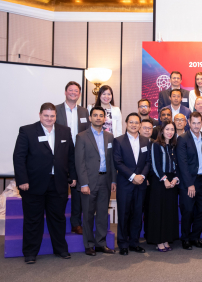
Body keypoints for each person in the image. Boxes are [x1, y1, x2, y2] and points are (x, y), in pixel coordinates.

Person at [13, 103, 77, 264]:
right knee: (33, 220)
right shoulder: (26, 131)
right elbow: (19, 157)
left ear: (56, 116)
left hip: (58, 183)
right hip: (33, 185)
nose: (49, 119)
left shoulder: (64, 131)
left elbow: (71, 157)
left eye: (52, 116)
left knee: (58, 218)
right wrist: (22, 180)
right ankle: (30, 252)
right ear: (40, 115)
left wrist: (73, 176)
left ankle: (61, 249)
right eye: (46, 116)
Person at [74, 106, 116, 256]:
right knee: (88, 214)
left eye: (101, 115)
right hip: (89, 182)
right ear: (90, 118)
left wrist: (113, 180)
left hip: (105, 180)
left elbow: (111, 161)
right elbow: (79, 162)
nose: (98, 118)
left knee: (103, 214)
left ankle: (101, 243)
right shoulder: (82, 136)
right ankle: (89, 245)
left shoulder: (109, 137)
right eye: (95, 115)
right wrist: (84, 183)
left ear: (105, 119)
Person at [55, 81, 90, 235]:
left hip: (79, 154)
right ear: (65, 92)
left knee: (77, 190)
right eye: (70, 90)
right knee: (59, 190)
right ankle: (57, 222)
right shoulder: (56, 110)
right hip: (60, 154)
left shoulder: (84, 112)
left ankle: (76, 223)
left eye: (76, 91)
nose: (73, 93)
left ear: (79, 94)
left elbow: (88, 133)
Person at [113, 113, 151, 255]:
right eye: (131, 122)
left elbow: (148, 161)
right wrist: (133, 176)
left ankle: (134, 242)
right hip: (125, 183)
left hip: (141, 183)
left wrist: (142, 176)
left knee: (137, 214)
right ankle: (123, 243)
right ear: (126, 123)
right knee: (124, 214)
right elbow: (118, 162)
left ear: (140, 125)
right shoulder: (118, 141)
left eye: (136, 122)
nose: (134, 125)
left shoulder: (145, 141)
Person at [176, 112, 202, 250]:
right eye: (193, 123)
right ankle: (185, 238)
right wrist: (190, 184)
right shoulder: (183, 139)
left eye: (198, 122)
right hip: (188, 181)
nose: (196, 126)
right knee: (188, 211)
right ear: (189, 123)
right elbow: (182, 163)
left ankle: (195, 237)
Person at [146, 121, 180, 252]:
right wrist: (164, 179)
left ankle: (166, 239)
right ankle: (159, 241)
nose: (170, 132)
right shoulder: (156, 145)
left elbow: (177, 165)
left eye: (172, 129)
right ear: (162, 130)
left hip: (172, 182)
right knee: (159, 211)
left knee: (169, 212)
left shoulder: (173, 145)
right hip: (159, 181)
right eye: (167, 129)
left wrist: (175, 179)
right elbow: (155, 165)